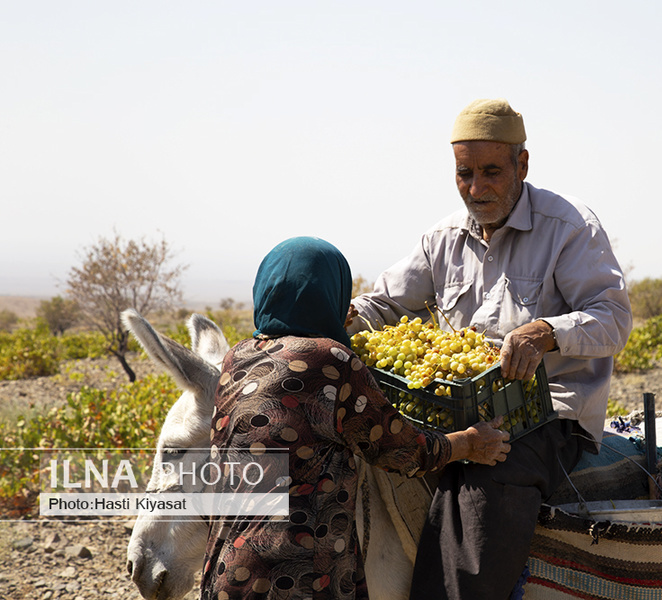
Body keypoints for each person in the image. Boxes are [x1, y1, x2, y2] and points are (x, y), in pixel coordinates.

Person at [346, 98, 632, 599]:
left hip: (547, 412)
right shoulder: (442, 238)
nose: (476, 189)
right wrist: (349, 317)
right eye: (464, 174)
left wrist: (545, 332)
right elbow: (385, 304)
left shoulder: (569, 228)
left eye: (492, 171)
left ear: (523, 163)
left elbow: (614, 319)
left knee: (487, 469)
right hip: (457, 403)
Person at [199, 236, 510, 600]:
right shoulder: (333, 360)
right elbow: (404, 450)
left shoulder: (237, 358)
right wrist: (469, 442)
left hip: (226, 570)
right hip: (297, 577)